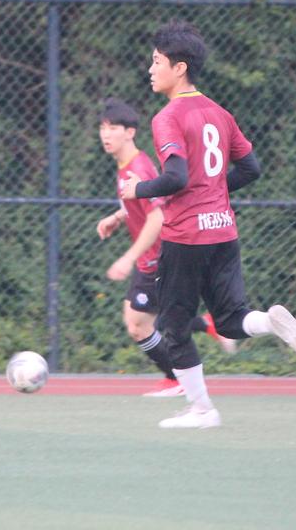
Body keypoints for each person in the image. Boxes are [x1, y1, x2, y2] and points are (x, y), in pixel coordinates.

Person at [120, 20, 296, 429]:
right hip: (223, 230)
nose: (150, 69)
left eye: (156, 61)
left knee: (173, 328)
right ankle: (270, 322)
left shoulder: (167, 117)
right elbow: (251, 168)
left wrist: (138, 189)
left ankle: (202, 410)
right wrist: (213, 190)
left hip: (186, 236)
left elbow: (175, 177)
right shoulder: (220, 113)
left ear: (179, 68)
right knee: (229, 319)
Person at [95, 97, 238, 399]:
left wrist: (127, 258)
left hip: (159, 256)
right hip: (154, 256)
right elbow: (146, 203)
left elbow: (157, 216)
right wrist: (118, 217)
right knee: (150, 318)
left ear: (130, 132)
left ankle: (177, 378)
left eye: (113, 128)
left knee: (139, 324)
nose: (106, 134)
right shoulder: (126, 166)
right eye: (103, 128)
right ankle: (205, 329)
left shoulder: (138, 166)